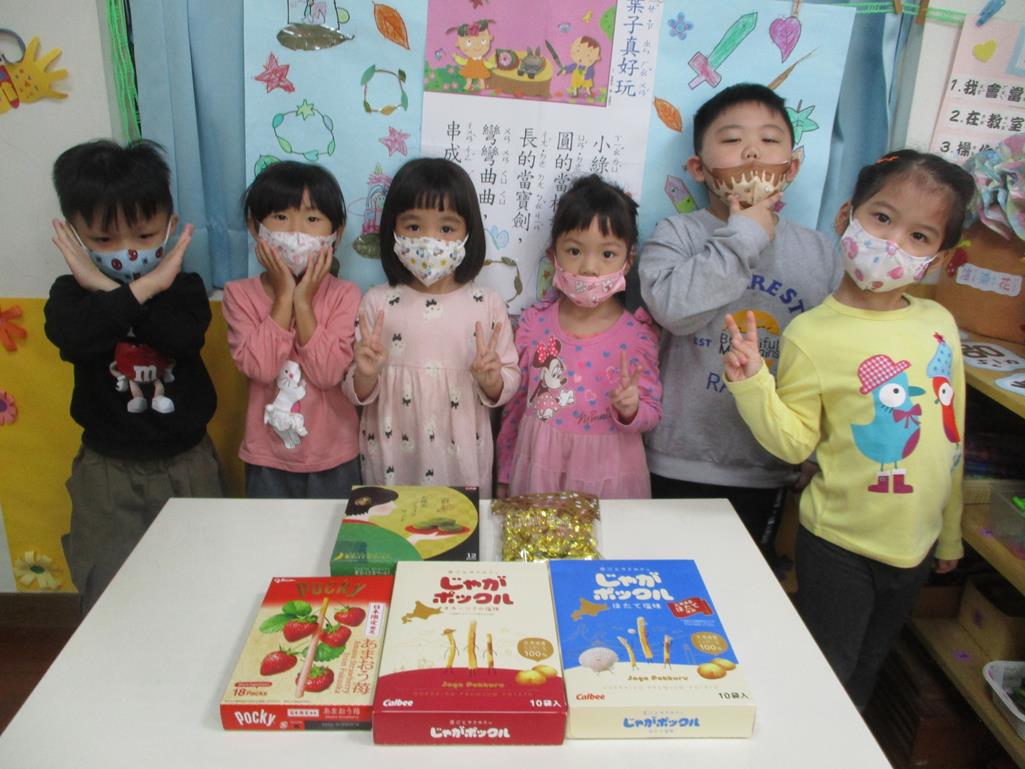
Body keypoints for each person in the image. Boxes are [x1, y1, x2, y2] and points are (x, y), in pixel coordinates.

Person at [723, 150, 974, 709]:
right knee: (826, 675)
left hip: (918, 544)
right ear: (846, 216)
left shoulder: (939, 323)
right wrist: (753, 384)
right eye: (882, 218)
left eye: (919, 236)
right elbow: (794, 442)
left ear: (938, 258)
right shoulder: (811, 333)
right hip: (839, 545)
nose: (892, 243)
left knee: (869, 667)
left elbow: (951, 435)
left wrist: (950, 534)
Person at [638, 83, 842, 555]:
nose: (752, 151)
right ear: (698, 168)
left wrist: (816, 451)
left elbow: (830, 362)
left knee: (746, 583)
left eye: (769, 140)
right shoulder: (676, 234)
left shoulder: (819, 252)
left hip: (767, 465)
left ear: (791, 167)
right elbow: (673, 311)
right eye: (732, 140)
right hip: (676, 457)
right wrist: (746, 233)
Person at [44, 139, 223, 614]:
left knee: (202, 583)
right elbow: (74, 340)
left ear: (169, 225)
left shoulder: (183, 289)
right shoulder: (70, 296)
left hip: (188, 464)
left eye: (144, 235)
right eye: (104, 241)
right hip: (108, 471)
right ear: (76, 236)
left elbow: (180, 338)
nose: (127, 252)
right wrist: (135, 290)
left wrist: (118, 290)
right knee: (109, 592)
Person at [342, 157, 519, 496]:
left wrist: (491, 380)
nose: (428, 240)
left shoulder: (487, 304)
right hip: (392, 457)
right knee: (391, 522)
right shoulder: (377, 302)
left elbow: (508, 383)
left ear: (469, 233)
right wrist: (365, 374)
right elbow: (355, 390)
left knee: (458, 524)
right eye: (413, 227)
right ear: (393, 230)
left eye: (446, 229)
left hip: (461, 460)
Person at [495, 174, 662, 498]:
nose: (589, 267)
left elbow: (652, 411)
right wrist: (504, 473)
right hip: (538, 472)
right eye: (574, 250)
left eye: (607, 254)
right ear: (553, 255)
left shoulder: (638, 335)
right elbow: (515, 407)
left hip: (609, 477)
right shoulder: (533, 325)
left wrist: (631, 409)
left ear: (628, 261)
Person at [222, 161, 361, 499]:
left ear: (337, 233)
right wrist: (285, 297)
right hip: (268, 458)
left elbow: (328, 374)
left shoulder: (345, 295)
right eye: (281, 217)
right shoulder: (239, 295)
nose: (297, 232)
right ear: (255, 227)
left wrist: (304, 303)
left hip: (335, 456)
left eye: (312, 220)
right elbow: (261, 368)